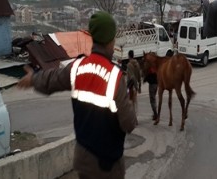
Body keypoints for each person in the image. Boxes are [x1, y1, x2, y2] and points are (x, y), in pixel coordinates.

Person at [17, 11, 137, 179]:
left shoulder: (78, 67)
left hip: (83, 159)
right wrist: (130, 103)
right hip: (107, 165)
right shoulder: (115, 77)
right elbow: (129, 123)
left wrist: (34, 79)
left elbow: (52, 78)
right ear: (110, 41)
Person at [126, 50, 141, 114]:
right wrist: (139, 86)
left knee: (131, 102)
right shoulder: (137, 64)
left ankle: (133, 118)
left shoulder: (129, 65)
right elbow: (139, 75)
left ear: (129, 56)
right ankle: (135, 117)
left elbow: (131, 77)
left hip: (131, 86)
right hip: (136, 85)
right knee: (135, 102)